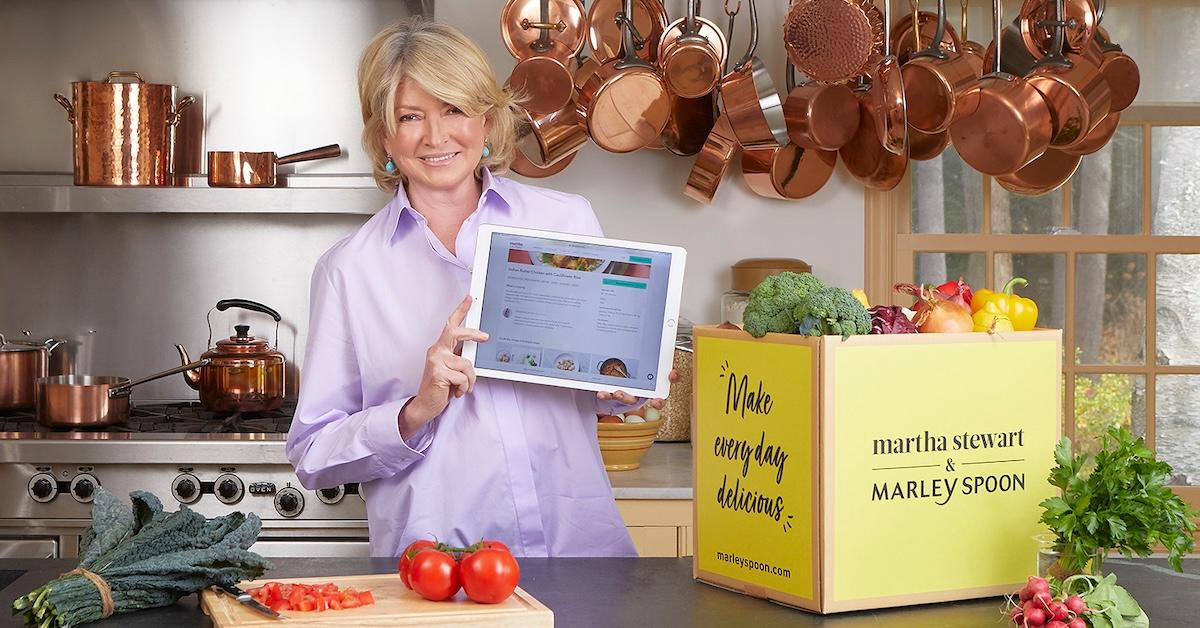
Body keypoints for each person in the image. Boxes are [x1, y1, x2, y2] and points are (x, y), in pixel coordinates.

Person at [286, 17, 671, 558]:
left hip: (578, 556)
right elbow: (313, 454)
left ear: (486, 121)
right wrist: (415, 410)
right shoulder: (349, 271)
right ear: (383, 137)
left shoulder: (564, 223)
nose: (437, 136)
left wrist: (622, 385)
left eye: (454, 110)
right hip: (438, 576)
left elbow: (595, 389)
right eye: (410, 116)